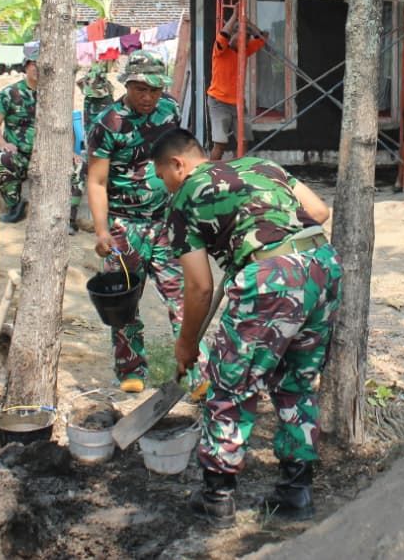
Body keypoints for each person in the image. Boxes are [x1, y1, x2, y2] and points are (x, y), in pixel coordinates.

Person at [153, 128, 342, 529]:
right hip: (321, 266)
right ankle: (296, 490)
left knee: (230, 386)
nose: (164, 186)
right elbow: (320, 212)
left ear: (178, 164)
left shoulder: (186, 198)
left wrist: (186, 346)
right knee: (298, 382)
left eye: (162, 177)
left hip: (270, 279)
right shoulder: (262, 164)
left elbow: (200, 286)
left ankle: (217, 496)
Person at [86, 49, 184, 393]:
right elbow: (96, 182)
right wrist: (101, 230)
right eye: (141, 89)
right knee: (124, 302)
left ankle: (193, 368)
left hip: (166, 223)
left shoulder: (170, 110)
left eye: (155, 90)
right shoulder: (108, 123)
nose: (148, 97)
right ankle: (131, 369)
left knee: (182, 296)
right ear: (127, 84)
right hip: (125, 227)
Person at [0, 44, 83, 226]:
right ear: (26, 65)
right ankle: (15, 206)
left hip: (50, 156)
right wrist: (3, 144)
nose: (38, 69)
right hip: (20, 156)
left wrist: (70, 152)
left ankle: (69, 219)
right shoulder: (10, 94)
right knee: (2, 158)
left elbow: (67, 128)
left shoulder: (57, 95)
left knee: (79, 166)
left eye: (43, 65)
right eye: (34, 64)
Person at [206, 13, 267, 160]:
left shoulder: (244, 51)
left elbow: (263, 37)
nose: (243, 42)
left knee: (243, 142)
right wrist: (234, 16)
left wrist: (247, 22)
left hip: (238, 103)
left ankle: (239, 173)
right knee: (220, 144)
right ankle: (210, 174)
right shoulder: (220, 50)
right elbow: (223, 34)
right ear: (232, 36)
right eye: (239, 37)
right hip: (219, 102)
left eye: (246, 39)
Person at [70, 61, 115, 233]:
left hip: (107, 152)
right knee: (79, 176)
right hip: (92, 150)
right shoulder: (89, 99)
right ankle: (70, 219)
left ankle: (108, 223)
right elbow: (89, 128)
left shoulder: (109, 103)